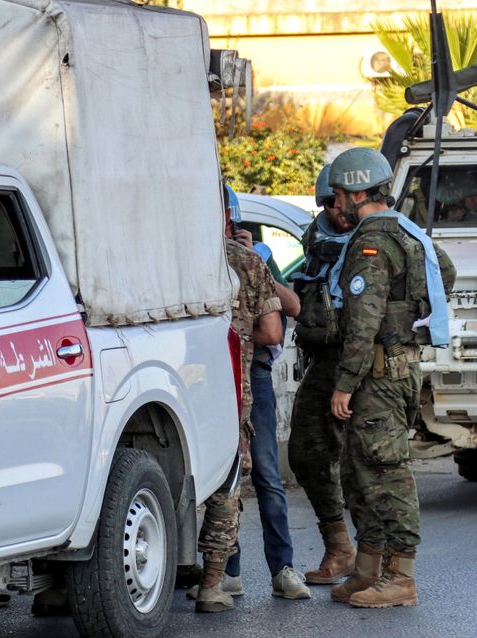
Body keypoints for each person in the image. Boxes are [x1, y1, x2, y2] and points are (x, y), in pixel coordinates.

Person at [326, 148, 456, 608]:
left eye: (339, 194)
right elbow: (447, 272)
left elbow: (363, 321)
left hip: (377, 375)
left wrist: (344, 382)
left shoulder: (373, 244)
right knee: (360, 471)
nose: (335, 203)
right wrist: (412, 310)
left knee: (386, 474)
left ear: (358, 192)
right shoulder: (408, 233)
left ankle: (401, 577)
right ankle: (368, 569)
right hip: (394, 369)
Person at [194, 184, 287, 613]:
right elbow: (273, 332)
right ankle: (215, 583)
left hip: (175, 381)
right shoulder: (245, 261)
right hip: (232, 388)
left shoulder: (172, 259)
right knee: (229, 483)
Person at [217, 186, 308, 602]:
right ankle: (232, 570)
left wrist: (260, 265)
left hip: (245, 373)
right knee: (244, 475)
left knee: (250, 475)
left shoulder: (253, 260)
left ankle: (278, 568)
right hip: (233, 374)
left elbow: (293, 307)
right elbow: (273, 328)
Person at [287, 163, 358, 586]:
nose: (337, 208)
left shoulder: (384, 235)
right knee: (307, 453)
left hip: (367, 360)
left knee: (367, 463)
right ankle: (340, 545)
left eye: (342, 199)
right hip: (324, 359)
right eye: (329, 202)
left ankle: (379, 557)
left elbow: (440, 275)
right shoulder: (318, 238)